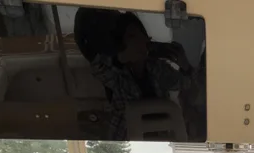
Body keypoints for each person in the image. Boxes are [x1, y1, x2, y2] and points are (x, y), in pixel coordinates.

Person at [78, 11, 193, 140]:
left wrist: (185, 65)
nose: (139, 41)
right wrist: (119, 59)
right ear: (121, 45)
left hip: (161, 142)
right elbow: (97, 66)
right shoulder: (116, 73)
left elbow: (185, 84)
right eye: (131, 36)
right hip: (127, 141)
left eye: (141, 35)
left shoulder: (158, 68)